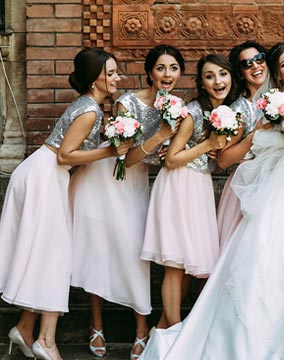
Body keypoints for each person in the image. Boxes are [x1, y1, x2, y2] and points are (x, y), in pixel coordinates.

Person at [138, 41, 284, 360]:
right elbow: (228, 157)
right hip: (275, 197)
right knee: (265, 272)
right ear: (277, 74)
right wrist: (268, 136)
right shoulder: (266, 106)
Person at [0, 47, 129, 360]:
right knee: (54, 256)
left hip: (42, 174)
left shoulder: (89, 105)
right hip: (45, 176)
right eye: (110, 73)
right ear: (94, 79)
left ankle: (26, 329)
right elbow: (65, 155)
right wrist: (110, 152)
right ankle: (45, 340)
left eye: (115, 72)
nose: (116, 78)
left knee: (48, 254)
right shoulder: (90, 111)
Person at [69, 44, 182, 360]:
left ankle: (141, 329)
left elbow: (167, 155)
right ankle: (96, 324)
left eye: (173, 68)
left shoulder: (177, 107)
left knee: (136, 253)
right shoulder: (126, 102)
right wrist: (159, 137)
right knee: (96, 247)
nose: (167, 75)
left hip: (134, 186)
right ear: (150, 72)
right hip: (104, 178)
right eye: (161, 68)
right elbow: (128, 156)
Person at [140, 54, 234, 332]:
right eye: (209, 76)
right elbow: (171, 158)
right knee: (175, 263)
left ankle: (161, 332)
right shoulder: (193, 112)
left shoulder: (226, 112)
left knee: (192, 263)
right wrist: (208, 145)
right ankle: (176, 331)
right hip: (179, 184)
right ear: (202, 83)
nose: (218, 81)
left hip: (199, 185)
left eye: (222, 74)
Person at [216, 41, 271, 247]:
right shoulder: (239, 109)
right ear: (240, 73)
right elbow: (223, 160)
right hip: (246, 187)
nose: (256, 66)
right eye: (247, 64)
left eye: (259, 59)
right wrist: (253, 135)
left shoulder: (281, 96)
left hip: (279, 182)